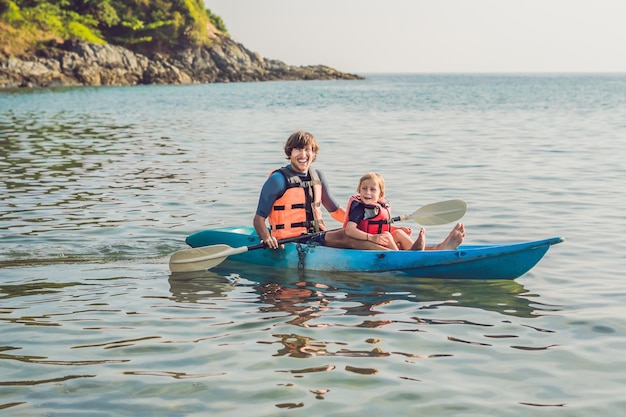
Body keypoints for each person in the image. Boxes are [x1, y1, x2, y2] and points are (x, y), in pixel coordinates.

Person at [253, 131, 386, 250]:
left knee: (355, 234)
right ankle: (394, 256)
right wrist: (267, 238)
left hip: (316, 235)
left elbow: (335, 212)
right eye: (298, 149)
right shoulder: (278, 180)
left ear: (314, 153)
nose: (303, 155)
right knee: (347, 236)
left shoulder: (318, 176)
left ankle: (397, 251)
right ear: (290, 152)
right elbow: (259, 219)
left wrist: (364, 225)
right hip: (290, 240)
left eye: (307, 149)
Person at [343, 172, 465, 250]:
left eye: (372, 189)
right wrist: (371, 238)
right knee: (387, 235)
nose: (367, 192)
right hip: (363, 244)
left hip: (377, 241)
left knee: (398, 234)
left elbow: (378, 226)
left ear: (381, 194)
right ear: (359, 190)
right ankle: (404, 257)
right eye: (364, 189)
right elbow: (350, 229)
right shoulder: (359, 209)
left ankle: (438, 248)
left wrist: (396, 229)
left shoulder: (379, 206)